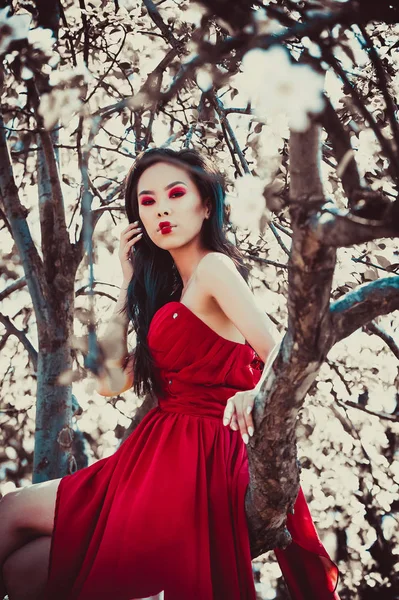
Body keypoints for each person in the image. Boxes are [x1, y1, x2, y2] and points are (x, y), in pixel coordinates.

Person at [0, 148, 340, 600]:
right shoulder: (170, 298)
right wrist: (126, 284)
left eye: (176, 194)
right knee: (24, 574)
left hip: (194, 462)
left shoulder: (214, 268)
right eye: (147, 200)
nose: (161, 207)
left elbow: (284, 353)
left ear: (205, 205)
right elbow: (109, 383)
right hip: (150, 458)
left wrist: (256, 394)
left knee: (10, 510)